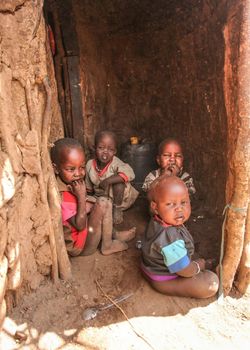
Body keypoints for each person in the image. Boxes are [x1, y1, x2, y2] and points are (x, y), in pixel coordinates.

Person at [51, 137, 134, 257]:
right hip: (81, 247)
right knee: (103, 202)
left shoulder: (69, 183)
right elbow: (80, 225)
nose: (78, 173)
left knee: (99, 203)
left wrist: (86, 201)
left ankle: (112, 234)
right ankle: (108, 244)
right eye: (71, 169)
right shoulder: (61, 196)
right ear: (56, 168)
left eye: (82, 167)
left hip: (83, 236)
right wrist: (81, 197)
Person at [141, 175, 219, 298]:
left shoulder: (158, 220)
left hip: (151, 266)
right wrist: (199, 266)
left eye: (184, 202)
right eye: (170, 204)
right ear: (155, 207)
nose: (179, 209)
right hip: (163, 280)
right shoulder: (169, 238)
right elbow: (185, 271)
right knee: (209, 284)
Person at [85, 130, 139, 224]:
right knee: (87, 204)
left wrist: (107, 181)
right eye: (101, 148)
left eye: (110, 149)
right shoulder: (89, 165)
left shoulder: (116, 163)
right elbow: (89, 188)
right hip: (101, 198)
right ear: (94, 148)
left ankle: (116, 211)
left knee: (119, 182)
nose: (105, 152)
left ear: (115, 151)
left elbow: (130, 173)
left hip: (121, 200)